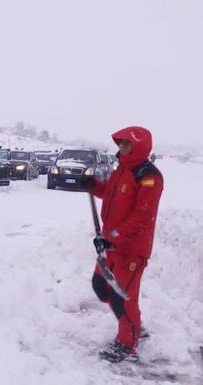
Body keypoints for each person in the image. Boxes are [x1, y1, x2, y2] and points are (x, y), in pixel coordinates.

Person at [82, 126, 163, 363]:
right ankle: (133, 321)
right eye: (120, 143)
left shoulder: (149, 176)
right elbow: (109, 193)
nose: (121, 147)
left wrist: (112, 237)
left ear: (138, 145)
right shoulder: (121, 170)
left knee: (121, 297)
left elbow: (142, 217)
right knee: (100, 286)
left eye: (126, 143)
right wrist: (93, 185)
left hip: (131, 250)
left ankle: (128, 343)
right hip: (111, 246)